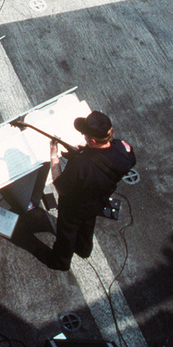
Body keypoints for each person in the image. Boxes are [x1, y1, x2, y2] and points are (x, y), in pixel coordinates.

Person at [43, 111, 135, 270]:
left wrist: (54, 156)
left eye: (85, 135)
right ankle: (84, 249)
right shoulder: (122, 149)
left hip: (75, 206)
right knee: (87, 223)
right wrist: (87, 152)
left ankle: (61, 262)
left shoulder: (81, 165)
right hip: (98, 201)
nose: (83, 136)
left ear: (93, 140)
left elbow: (60, 186)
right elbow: (122, 159)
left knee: (67, 231)